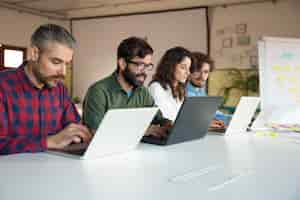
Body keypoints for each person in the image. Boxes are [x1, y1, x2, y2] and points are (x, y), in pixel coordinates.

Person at [0, 24, 92, 155]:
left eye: (66, 64)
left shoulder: (60, 90)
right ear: (34, 53)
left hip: (55, 171)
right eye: (56, 62)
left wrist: (79, 134)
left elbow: (72, 127)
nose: (63, 72)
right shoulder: (3, 86)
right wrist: (48, 142)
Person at [83, 37, 168, 138]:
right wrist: (142, 130)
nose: (144, 72)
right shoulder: (98, 91)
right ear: (122, 63)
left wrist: (169, 125)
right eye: (140, 65)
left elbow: (158, 119)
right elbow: (95, 134)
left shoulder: (142, 92)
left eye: (147, 66)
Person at [187, 52, 230, 128]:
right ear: (189, 71)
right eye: (198, 71)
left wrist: (231, 118)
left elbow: (212, 112)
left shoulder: (200, 90)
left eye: (206, 72)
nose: (202, 76)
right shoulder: (181, 92)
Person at [148, 47, 192, 122]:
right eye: (183, 67)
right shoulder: (156, 88)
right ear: (170, 66)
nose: (188, 73)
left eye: (189, 68)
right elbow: (165, 118)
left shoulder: (180, 89)